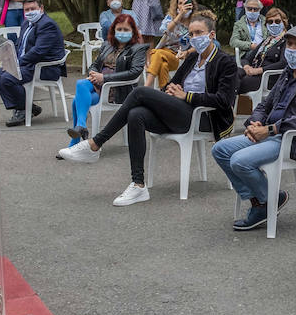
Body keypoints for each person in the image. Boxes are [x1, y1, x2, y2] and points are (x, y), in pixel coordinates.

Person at [59, 13, 238, 206]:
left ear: (211, 35)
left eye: (199, 33)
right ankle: (138, 185)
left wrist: (187, 96)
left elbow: (224, 100)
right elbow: (171, 83)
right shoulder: (192, 58)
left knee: (140, 93)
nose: (195, 38)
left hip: (203, 118)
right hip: (180, 112)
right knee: (137, 115)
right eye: (192, 33)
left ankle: (96, 143)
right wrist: (170, 90)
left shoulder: (225, 62)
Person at [213, 26, 296, 231]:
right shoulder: (289, 71)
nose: (292, 49)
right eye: (290, 44)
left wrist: (270, 130)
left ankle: (265, 201)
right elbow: (266, 104)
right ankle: (263, 200)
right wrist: (255, 122)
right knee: (220, 150)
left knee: (239, 161)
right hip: (271, 133)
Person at [64, 14, 148, 146]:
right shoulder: (107, 45)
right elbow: (95, 64)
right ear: (114, 30)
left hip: (117, 88)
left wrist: (104, 78)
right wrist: (92, 72)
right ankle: (80, 128)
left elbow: (134, 72)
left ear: (133, 31)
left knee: (77, 100)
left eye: (126, 30)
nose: (122, 32)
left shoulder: (138, 49)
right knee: (81, 85)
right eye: (119, 29)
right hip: (98, 84)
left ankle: (76, 138)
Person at [0, 0, 68, 126]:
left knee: (7, 78)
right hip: (29, 65)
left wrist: (16, 64)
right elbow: (18, 46)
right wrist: (9, 59)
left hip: (45, 68)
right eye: (26, 10)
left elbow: (38, 51)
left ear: (41, 8)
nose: (29, 12)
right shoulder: (26, 23)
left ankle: (23, 109)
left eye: (33, 8)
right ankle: (27, 107)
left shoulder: (47, 25)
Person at [145, 0, 207, 88]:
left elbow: (199, 44)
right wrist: (180, 15)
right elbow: (165, 30)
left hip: (178, 56)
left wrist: (187, 52)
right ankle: (164, 92)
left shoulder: (196, 21)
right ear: (176, 6)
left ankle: (146, 87)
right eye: (180, 3)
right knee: (163, 64)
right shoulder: (171, 17)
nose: (183, 6)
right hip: (164, 51)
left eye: (185, 2)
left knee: (156, 53)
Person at [237, 6, 291, 100]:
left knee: (235, 83)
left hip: (268, 78)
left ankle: (226, 107)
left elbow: (283, 63)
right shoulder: (266, 41)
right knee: (231, 74)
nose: (274, 24)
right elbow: (246, 59)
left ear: (284, 23)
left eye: (277, 21)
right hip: (253, 74)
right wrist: (246, 67)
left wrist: (259, 70)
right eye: (270, 22)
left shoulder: (287, 41)